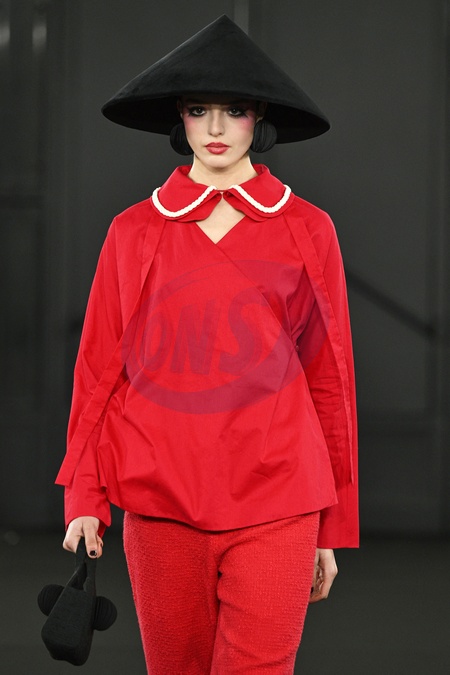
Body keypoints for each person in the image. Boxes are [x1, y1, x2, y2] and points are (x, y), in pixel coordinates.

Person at [56, 15, 358, 674]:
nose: (216, 127)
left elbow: (329, 379)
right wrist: (85, 496)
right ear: (180, 118)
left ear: (260, 118)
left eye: (234, 110)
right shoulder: (134, 231)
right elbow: (99, 368)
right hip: (161, 499)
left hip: (279, 497)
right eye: (199, 110)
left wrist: (332, 526)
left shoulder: (308, 228)